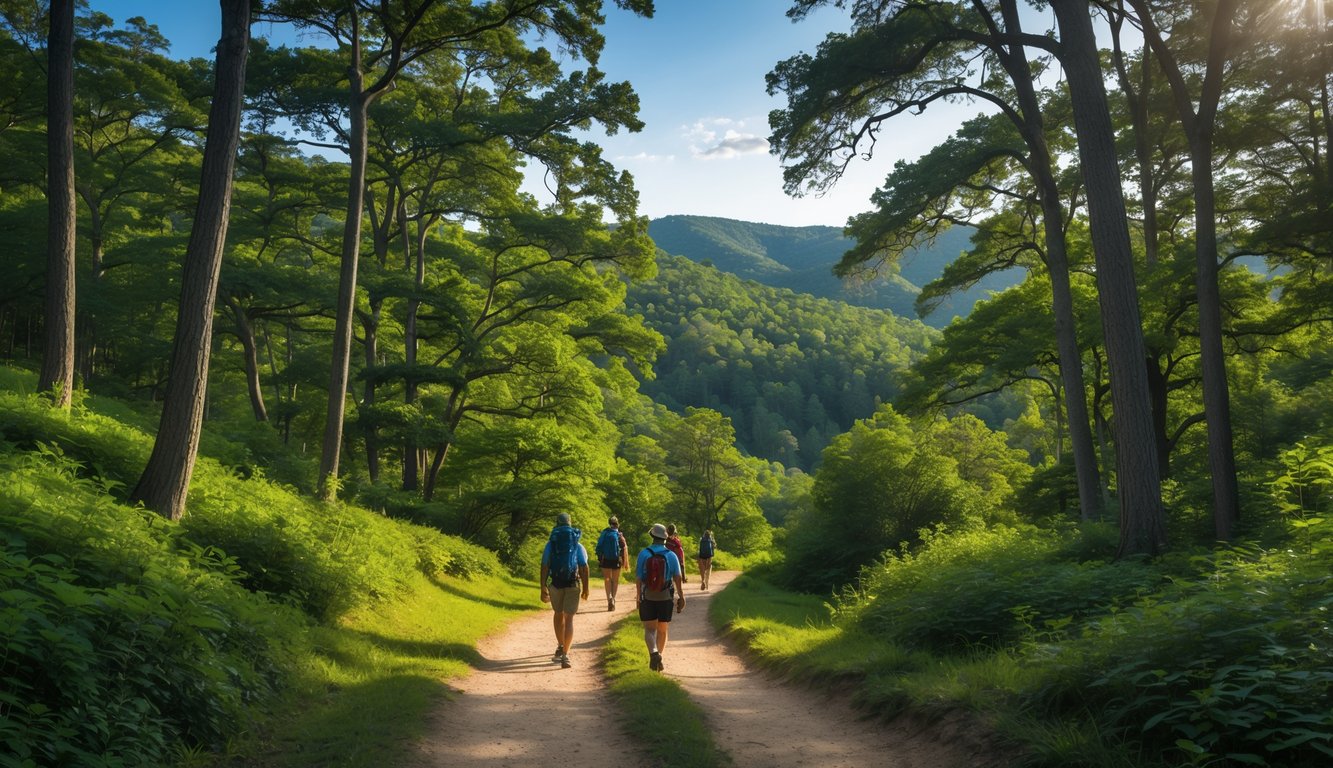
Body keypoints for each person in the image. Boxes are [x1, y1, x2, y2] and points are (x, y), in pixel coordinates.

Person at [539, 512, 589, 669]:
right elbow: (584, 566)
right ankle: (566, 655)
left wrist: (542, 586)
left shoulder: (551, 543)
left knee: (558, 614)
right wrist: (586, 588)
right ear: (570, 523)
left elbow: (545, 565)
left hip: (556, 584)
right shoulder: (577, 543)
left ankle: (560, 645)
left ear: (557, 524)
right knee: (569, 619)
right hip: (573, 584)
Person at [636, 523, 685, 672]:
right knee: (663, 630)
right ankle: (659, 658)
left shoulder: (644, 554)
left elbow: (638, 577)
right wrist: (681, 597)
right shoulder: (671, 555)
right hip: (665, 597)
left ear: (652, 536)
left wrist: (638, 596)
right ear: (665, 538)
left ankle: (654, 653)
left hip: (648, 596)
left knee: (649, 630)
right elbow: (677, 577)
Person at [594, 516, 630, 611]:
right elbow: (623, 548)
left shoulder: (604, 533)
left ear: (609, 523)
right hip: (616, 560)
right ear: (617, 523)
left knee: (607, 579)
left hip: (606, 559)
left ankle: (609, 598)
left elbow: (599, 547)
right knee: (615, 580)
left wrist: (600, 557)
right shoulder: (619, 534)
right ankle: (613, 598)